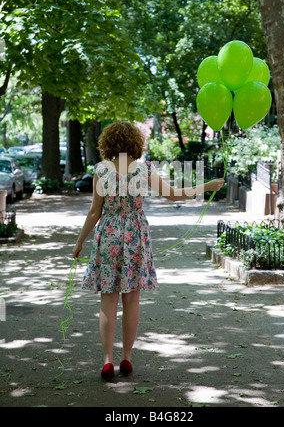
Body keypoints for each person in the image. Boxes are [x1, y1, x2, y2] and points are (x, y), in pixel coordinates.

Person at [72, 121, 224, 381]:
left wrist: (79, 242)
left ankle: (107, 361)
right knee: (132, 299)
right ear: (136, 143)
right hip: (136, 237)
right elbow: (174, 195)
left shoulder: (101, 171)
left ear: (107, 144)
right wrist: (206, 187)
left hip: (108, 234)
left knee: (108, 299)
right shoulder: (144, 170)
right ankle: (127, 358)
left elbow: (94, 212)